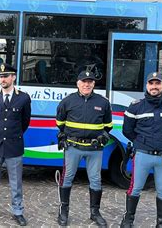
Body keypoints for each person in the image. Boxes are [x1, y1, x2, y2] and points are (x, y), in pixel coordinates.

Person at [120, 72, 162, 228]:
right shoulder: (136, 106)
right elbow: (127, 130)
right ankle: (128, 220)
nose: (154, 87)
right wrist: (142, 143)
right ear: (147, 86)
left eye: (158, 83)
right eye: (151, 83)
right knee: (135, 188)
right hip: (143, 155)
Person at [55, 70, 112, 227]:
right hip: (73, 147)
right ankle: (64, 211)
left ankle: (95, 213)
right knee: (67, 178)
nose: (87, 84)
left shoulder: (103, 102)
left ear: (94, 84)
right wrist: (64, 136)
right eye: (84, 81)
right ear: (77, 83)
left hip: (94, 149)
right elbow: (60, 123)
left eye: (90, 82)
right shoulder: (67, 101)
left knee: (96, 180)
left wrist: (103, 137)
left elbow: (108, 126)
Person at [0, 63, 31, 226]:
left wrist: (11, 135)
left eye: (6, 76)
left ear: (13, 77)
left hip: (14, 146)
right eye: (1, 76)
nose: (2, 79)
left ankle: (17, 211)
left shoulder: (23, 98)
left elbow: (25, 122)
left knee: (16, 182)